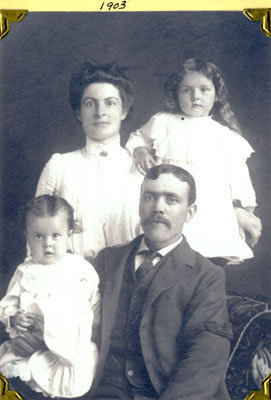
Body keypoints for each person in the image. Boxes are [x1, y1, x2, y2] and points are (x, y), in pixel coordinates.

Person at [89, 164, 232, 400]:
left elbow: (204, 361)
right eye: (149, 197)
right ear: (139, 204)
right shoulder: (107, 261)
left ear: (190, 212)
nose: (157, 207)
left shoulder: (206, 275)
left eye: (171, 199)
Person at [125, 58, 262, 264]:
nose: (196, 96)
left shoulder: (223, 135)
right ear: (176, 94)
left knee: (206, 257)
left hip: (211, 204)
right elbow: (138, 137)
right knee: (168, 253)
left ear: (217, 95)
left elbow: (238, 174)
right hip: (172, 197)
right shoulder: (163, 121)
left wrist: (245, 209)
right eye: (187, 90)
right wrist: (141, 150)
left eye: (204, 90)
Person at [36, 61, 141, 259]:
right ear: (78, 113)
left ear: (124, 111)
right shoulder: (59, 166)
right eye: (90, 103)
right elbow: (36, 233)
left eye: (110, 103)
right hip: (71, 282)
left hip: (131, 282)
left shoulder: (141, 167)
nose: (100, 112)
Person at [0, 195, 100, 398]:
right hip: (28, 348)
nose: (48, 244)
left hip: (69, 350)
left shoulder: (80, 269)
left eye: (56, 236)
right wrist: (14, 318)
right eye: (38, 236)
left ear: (69, 234)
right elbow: (6, 305)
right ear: (27, 236)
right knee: (24, 387)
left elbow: (95, 305)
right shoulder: (25, 272)